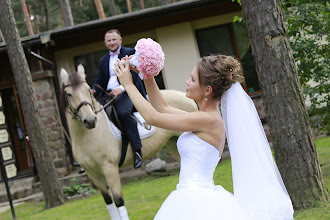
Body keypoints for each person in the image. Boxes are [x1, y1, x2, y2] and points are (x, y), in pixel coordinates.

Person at [114, 54, 294, 219]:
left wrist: (128, 84)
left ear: (207, 90)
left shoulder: (208, 120)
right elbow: (162, 108)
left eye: (192, 79)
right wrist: (147, 73)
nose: (186, 82)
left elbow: (153, 117)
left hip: (196, 199)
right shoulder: (201, 118)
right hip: (190, 195)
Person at [90, 29, 146, 168]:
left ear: (120, 40)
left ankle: (137, 150)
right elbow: (100, 80)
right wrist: (93, 90)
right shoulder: (103, 60)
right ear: (105, 43)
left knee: (123, 113)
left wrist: (121, 89)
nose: (112, 42)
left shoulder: (130, 52)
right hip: (108, 94)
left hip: (127, 91)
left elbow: (134, 75)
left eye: (114, 39)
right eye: (109, 40)